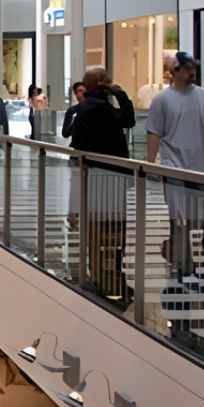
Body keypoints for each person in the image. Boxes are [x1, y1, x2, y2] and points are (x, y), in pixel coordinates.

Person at [145, 52, 204, 281]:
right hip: (173, 165)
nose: (192, 72)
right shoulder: (162, 99)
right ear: (175, 72)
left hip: (201, 165)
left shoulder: (203, 96)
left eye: (193, 68)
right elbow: (154, 133)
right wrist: (151, 164)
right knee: (178, 217)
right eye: (187, 68)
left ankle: (185, 257)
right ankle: (184, 263)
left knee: (197, 217)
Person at [68, 67, 136, 301]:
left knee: (97, 233)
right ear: (102, 84)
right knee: (112, 231)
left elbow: (77, 149)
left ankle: (100, 277)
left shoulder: (87, 109)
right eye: (108, 80)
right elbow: (129, 119)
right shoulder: (100, 108)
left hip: (95, 181)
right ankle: (107, 279)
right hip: (110, 181)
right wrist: (121, 94)